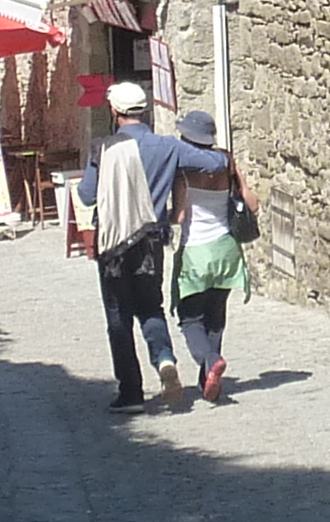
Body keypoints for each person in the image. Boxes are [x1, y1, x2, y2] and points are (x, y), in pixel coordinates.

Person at [75, 81, 205, 409]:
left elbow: (86, 195)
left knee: (118, 318)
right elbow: (210, 162)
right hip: (151, 241)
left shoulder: (103, 149)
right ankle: (163, 359)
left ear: (114, 110)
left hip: (114, 245)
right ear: (144, 110)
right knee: (151, 307)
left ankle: (130, 392)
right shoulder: (167, 146)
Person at [164, 108, 250, 401]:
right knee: (215, 317)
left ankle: (210, 361)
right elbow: (252, 202)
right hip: (227, 249)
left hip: (196, 251)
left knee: (190, 318)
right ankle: (208, 383)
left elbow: (180, 215)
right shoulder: (227, 161)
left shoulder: (184, 172)